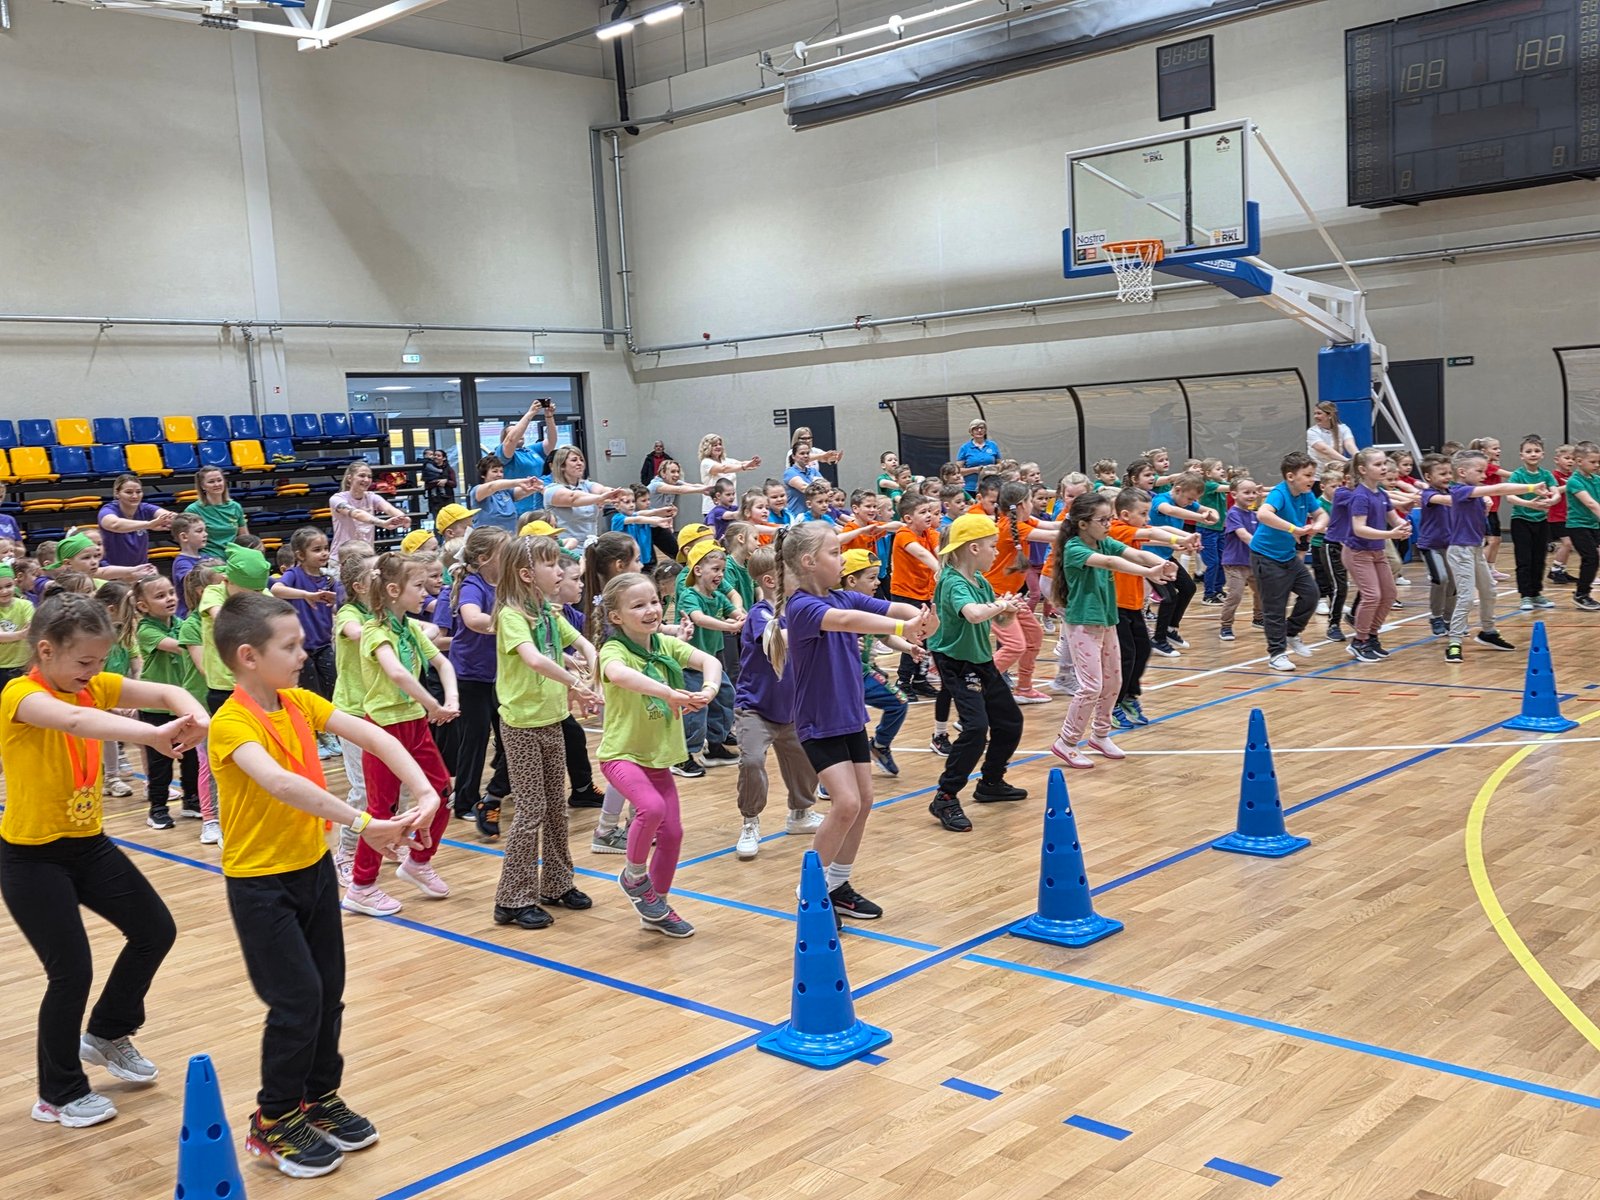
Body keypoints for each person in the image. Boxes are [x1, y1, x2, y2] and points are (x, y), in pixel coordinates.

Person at [208, 591, 439, 1178]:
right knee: (296, 999)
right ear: (248, 656)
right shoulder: (231, 722)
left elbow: (379, 738)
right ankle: (274, 1118)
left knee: (327, 990)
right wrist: (364, 823)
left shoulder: (299, 702)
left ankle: (318, 1097)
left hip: (310, 869)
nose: (304, 653)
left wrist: (425, 791)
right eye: (289, 646)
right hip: (260, 884)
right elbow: (281, 784)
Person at [1, 593, 207, 1129]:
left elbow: (165, 690)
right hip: (32, 858)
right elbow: (75, 722)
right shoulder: (21, 695)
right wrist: (154, 735)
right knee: (71, 971)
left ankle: (108, 1032)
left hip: (88, 845)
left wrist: (196, 715)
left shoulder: (90, 685)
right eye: (84, 661)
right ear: (46, 650)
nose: (93, 672)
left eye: (100, 662)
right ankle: (58, 1093)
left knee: (155, 930)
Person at [768, 523, 934, 921]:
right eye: (834, 553)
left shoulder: (845, 595)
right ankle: (810, 891)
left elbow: (894, 609)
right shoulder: (802, 607)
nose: (841, 559)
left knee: (863, 801)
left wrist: (922, 617)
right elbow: (845, 621)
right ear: (809, 561)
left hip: (849, 717)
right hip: (818, 720)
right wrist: (903, 627)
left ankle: (838, 885)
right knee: (845, 803)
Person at [597, 571, 721, 939]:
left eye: (654, 601)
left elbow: (711, 662)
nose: (651, 610)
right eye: (638, 605)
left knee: (673, 833)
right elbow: (620, 675)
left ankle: (657, 908)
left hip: (657, 758)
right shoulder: (614, 650)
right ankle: (635, 877)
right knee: (650, 808)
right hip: (621, 754)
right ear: (616, 616)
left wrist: (709, 689)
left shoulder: (665, 645)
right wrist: (669, 693)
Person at [490, 535, 600, 930]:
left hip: (552, 719)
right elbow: (535, 659)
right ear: (526, 574)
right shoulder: (511, 616)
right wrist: (576, 683)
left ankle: (556, 883)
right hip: (521, 726)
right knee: (531, 809)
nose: (560, 571)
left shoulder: (549, 614)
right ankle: (512, 898)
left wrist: (592, 669)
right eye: (551, 565)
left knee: (556, 806)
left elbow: (583, 644)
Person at [342, 553, 459, 917]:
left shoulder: (409, 628)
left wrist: (451, 700)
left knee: (441, 793)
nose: (427, 592)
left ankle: (419, 861)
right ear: (393, 590)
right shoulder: (375, 630)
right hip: (383, 729)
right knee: (382, 809)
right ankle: (361, 887)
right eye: (419, 586)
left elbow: (442, 662)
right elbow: (396, 673)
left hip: (415, 725)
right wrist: (433, 704)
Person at [1049, 493, 1174, 769]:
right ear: (1083, 523)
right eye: (1103, 520)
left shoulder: (1104, 541)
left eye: (1110, 519)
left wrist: (1159, 564)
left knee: (1114, 682)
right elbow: (1110, 563)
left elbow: (1136, 553)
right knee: (1091, 686)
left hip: (1107, 621)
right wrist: (1148, 573)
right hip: (1083, 624)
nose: (1108, 524)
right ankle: (1067, 741)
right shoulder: (1074, 548)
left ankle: (1100, 735)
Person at [923, 514, 1028, 832]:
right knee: (976, 728)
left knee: (1010, 722)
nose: (996, 552)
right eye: (992, 546)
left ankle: (991, 782)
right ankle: (945, 797)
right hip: (957, 663)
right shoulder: (952, 582)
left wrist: (1009, 611)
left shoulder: (980, 581)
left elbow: (995, 620)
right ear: (973, 548)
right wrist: (1000, 606)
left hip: (980, 660)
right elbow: (972, 614)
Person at [731, 544, 824, 860]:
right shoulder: (760, 614)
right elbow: (777, 640)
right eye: (792, 571)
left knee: (806, 760)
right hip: (755, 707)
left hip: (793, 707)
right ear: (771, 581)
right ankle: (750, 821)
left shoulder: (799, 610)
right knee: (752, 761)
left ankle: (801, 813)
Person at [1442, 449, 1544, 662]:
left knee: (1489, 591)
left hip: (1475, 549)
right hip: (1460, 551)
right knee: (1466, 598)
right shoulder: (1459, 490)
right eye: (1479, 471)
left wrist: (1487, 509)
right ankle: (1454, 642)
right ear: (1462, 472)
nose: (1484, 475)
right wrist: (1531, 487)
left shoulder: (1475, 495)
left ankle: (1488, 632)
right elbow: (1500, 488)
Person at [446, 526, 513, 830]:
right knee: (474, 739)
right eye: (505, 551)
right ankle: (464, 801)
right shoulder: (473, 584)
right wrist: (511, 623)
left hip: (499, 674)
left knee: (509, 735)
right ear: (485, 558)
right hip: (471, 675)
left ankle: (500, 790)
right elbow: (473, 619)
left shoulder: (506, 584)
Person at [129, 576, 204, 832]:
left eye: (171, 592)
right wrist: (200, 640)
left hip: (182, 704)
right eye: (160, 596)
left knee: (191, 757)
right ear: (143, 606)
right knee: (160, 761)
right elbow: (180, 647)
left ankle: (191, 800)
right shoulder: (146, 630)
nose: (170, 598)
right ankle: (158, 809)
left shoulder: (181, 624)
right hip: (155, 707)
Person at [1251, 452, 1328, 672]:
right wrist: (1293, 529)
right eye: (1308, 475)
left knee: (1311, 594)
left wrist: (1316, 527)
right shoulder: (1279, 493)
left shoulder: (1306, 494)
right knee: (1275, 607)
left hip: (1288, 556)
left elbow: (1322, 514)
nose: (1312, 479)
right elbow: (1263, 514)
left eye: (1313, 475)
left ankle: (1291, 632)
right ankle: (1276, 654)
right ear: (1291, 476)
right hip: (1266, 557)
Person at [270, 528, 341, 750]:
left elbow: (340, 603)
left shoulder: (328, 579)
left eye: (326, 548)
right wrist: (306, 595)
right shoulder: (294, 575)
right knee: (310, 691)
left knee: (332, 687)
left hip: (323, 644)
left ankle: (329, 731)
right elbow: (276, 589)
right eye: (317, 550)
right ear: (300, 555)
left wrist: (336, 601)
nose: (324, 553)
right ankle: (313, 736)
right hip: (301, 648)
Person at [677, 539, 744, 771]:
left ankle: (715, 744)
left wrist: (743, 617)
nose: (720, 575)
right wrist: (729, 626)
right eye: (715, 569)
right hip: (689, 664)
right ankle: (683, 755)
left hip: (711, 663)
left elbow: (735, 612)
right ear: (698, 570)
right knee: (696, 707)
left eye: (722, 570)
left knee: (725, 696)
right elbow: (699, 619)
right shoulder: (689, 595)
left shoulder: (718, 597)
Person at [1342, 448, 1412, 663]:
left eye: (1384, 464)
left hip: (1377, 551)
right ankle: (1359, 641)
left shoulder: (1381, 494)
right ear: (1363, 470)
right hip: (1357, 552)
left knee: (1389, 594)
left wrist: (1403, 525)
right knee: (1372, 596)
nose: (1383, 468)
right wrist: (1390, 534)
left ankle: (1371, 636)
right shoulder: (1360, 496)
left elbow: (1393, 518)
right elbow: (1359, 528)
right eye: (1378, 465)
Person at [1506, 435, 1560, 610]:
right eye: (1528, 451)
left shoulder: (1546, 475)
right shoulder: (1517, 475)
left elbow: (1556, 493)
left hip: (1541, 521)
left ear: (1542, 454)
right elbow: (1510, 496)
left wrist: (1552, 500)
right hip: (1521, 521)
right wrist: (1528, 504)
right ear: (1521, 455)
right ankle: (1525, 596)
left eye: (1537, 451)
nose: (1533, 454)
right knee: (1524, 559)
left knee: (1539, 559)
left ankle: (1536, 593)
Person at [544, 446, 630, 545]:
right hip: (566, 546)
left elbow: (601, 489)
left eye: (581, 460)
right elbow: (573, 498)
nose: (580, 463)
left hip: (590, 545)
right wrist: (600, 498)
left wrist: (616, 493)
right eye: (574, 460)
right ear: (562, 466)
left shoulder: (586, 485)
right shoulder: (552, 490)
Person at [1414, 454, 1460, 636]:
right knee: (1441, 578)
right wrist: (1473, 497)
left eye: (1449, 473)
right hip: (1431, 546)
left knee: (1454, 583)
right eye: (1442, 474)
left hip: (1451, 546)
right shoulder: (1428, 494)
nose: (1448, 477)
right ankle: (1436, 616)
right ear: (1428, 477)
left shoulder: (1453, 491)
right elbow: (1445, 501)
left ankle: (1449, 619)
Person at [330, 462, 411, 562]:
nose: (366, 480)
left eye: (369, 477)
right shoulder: (337, 499)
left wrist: (403, 517)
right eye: (362, 476)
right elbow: (357, 514)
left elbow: (389, 508)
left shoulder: (372, 497)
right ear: (350, 478)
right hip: (341, 559)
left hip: (366, 559)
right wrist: (382, 523)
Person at [1217, 478, 1262, 643]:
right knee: (1235, 595)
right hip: (1235, 563)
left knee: (1262, 591)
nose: (1251, 496)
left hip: (1252, 561)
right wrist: (1261, 547)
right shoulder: (1233, 514)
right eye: (1247, 492)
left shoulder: (1254, 514)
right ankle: (1226, 626)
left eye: (1254, 492)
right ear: (1234, 494)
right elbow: (1243, 535)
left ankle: (1259, 618)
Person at [497, 398, 560, 516]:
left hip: (540, 506)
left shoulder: (531, 450)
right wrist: (530, 413)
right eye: (516, 431)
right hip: (519, 509)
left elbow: (551, 441)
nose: (520, 433)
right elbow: (511, 440)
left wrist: (549, 417)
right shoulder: (503, 453)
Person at [97, 475, 175, 568]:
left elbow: (169, 516)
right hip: (112, 570)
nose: (135, 496)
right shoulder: (108, 510)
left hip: (141, 569)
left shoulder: (145, 508)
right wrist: (149, 525)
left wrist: (173, 518)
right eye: (129, 492)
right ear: (117, 493)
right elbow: (114, 524)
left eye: (138, 492)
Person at [185, 466, 249, 559]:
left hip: (234, 556)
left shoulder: (235, 507)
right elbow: (190, 542)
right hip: (208, 558)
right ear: (202, 486)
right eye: (211, 482)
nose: (217, 484)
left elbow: (244, 536)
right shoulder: (193, 510)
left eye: (219, 480)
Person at [1565, 442, 1600, 610]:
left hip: (1594, 525)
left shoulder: (1596, 480)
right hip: (1578, 526)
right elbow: (1591, 503)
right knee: (1591, 558)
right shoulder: (1574, 481)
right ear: (1579, 461)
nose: (1597, 465)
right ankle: (1581, 594)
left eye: (1598, 462)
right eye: (1593, 462)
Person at [469, 453, 541, 534]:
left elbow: (523, 491)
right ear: (483, 475)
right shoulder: (477, 490)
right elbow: (491, 487)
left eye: (501, 471)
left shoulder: (506, 491)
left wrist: (533, 486)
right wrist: (517, 482)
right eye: (495, 471)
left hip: (509, 538)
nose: (499, 475)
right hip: (487, 538)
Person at [698, 434, 762, 515]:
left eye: (720, 444)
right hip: (713, 507)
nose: (718, 447)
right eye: (715, 445)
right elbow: (724, 469)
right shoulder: (706, 462)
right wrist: (744, 467)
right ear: (708, 447)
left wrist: (753, 462)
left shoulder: (727, 461)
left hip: (731, 506)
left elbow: (741, 463)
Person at [781, 443, 828, 521]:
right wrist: (817, 485)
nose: (806, 456)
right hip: (797, 517)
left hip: (815, 516)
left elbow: (825, 488)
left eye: (807, 453)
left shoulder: (813, 471)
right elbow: (804, 488)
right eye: (802, 453)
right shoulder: (789, 472)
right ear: (793, 456)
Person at [1305, 401, 1358, 467]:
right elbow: (1325, 450)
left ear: (1330, 415)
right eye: (1314, 413)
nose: (1315, 416)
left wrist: (1358, 457)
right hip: (1318, 471)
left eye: (1319, 413)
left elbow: (1350, 444)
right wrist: (1347, 461)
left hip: (1337, 469)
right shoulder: (1312, 431)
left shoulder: (1343, 428)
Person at [955, 419, 1001, 494]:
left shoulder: (993, 445)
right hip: (970, 488)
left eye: (982, 428)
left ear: (985, 430)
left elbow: (1000, 464)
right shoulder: (965, 447)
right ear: (971, 431)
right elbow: (958, 470)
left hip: (991, 486)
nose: (979, 430)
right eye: (976, 428)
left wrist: (991, 468)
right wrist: (975, 469)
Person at [420, 449, 458, 515]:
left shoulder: (449, 469)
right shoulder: (428, 468)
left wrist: (446, 481)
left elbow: (454, 484)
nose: (436, 457)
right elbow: (426, 485)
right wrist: (437, 482)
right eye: (435, 455)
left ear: (444, 458)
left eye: (438, 456)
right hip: (435, 501)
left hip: (447, 500)